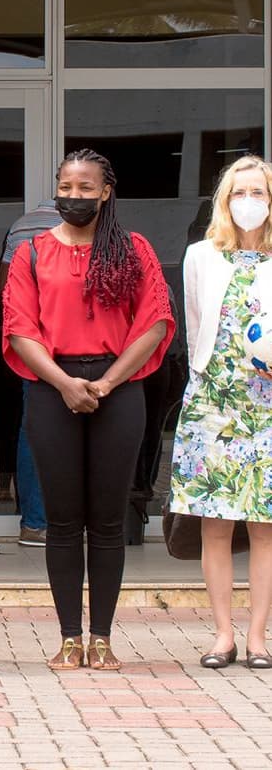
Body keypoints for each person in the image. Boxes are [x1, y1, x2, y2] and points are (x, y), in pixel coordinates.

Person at [2, 148, 174, 671]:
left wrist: (104, 384)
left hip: (117, 389)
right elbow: (19, 328)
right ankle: (69, 638)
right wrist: (65, 383)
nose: (74, 196)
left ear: (106, 192)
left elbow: (156, 322)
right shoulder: (31, 253)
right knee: (62, 520)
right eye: (66, 187)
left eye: (85, 187)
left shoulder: (134, 249)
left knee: (106, 519)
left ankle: (101, 638)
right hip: (51, 387)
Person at [169, 155, 272, 670]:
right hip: (214, 402)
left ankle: (257, 637)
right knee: (214, 523)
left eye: (258, 192)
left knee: (263, 525)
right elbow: (195, 328)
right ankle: (222, 635)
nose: (248, 202)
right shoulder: (200, 256)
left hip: (268, 406)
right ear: (224, 200)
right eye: (239, 192)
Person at [0, 199, 61, 547]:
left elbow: (4, 287)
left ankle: (35, 523)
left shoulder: (22, 225)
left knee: (33, 430)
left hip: (33, 344)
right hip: (80, 348)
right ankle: (70, 523)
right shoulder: (96, 224)